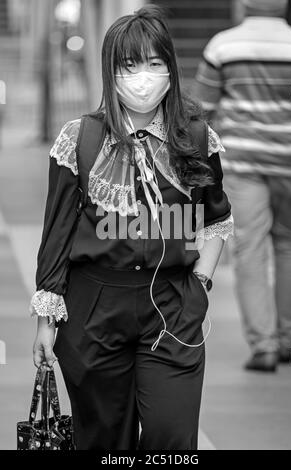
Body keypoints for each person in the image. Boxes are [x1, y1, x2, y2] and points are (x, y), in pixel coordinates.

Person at [30, 5, 233, 451]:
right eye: (129, 65)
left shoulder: (197, 138)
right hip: (93, 310)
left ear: (170, 69)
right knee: (104, 442)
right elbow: (57, 235)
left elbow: (216, 218)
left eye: (154, 63)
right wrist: (47, 321)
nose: (143, 76)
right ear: (111, 72)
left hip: (173, 305)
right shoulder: (78, 139)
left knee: (172, 441)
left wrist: (200, 281)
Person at [194, 0, 291, 372]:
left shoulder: (223, 46)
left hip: (244, 163)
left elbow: (203, 108)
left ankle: (264, 345)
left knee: (250, 249)